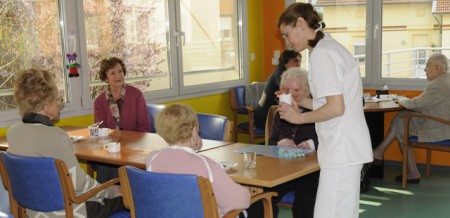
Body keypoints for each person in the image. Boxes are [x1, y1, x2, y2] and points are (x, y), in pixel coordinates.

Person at [277, 3, 372, 218]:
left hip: (342, 149)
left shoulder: (323, 55)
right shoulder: (327, 48)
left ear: (300, 24)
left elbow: (336, 108)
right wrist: (303, 102)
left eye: (286, 34)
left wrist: (299, 118)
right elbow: (334, 103)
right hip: (346, 148)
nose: (287, 41)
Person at [7, 69, 124, 218]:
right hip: (68, 212)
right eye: (56, 99)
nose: (59, 103)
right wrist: (109, 191)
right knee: (128, 196)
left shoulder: (13, 132)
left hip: (32, 211)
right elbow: (79, 184)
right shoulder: (56, 136)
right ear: (46, 105)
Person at [144, 103, 250, 217]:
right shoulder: (206, 165)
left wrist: (192, 142)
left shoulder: (152, 159)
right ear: (194, 130)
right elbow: (239, 202)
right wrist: (246, 190)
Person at [373, 53, 450, 183]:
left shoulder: (438, 85)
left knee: (402, 122)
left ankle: (381, 153)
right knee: (402, 120)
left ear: (437, 68)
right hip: (443, 124)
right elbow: (425, 102)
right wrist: (406, 101)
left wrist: (401, 100)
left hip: (440, 129)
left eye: (427, 65)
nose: (425, 69)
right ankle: (381, 153)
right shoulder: (445, 80)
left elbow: (416, 105)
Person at [268, 67, 319, 218]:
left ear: (308, 91)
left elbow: (331, 141)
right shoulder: (280, 113)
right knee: (261, 196)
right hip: (284, 170)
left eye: (296, 91)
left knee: (305, 201)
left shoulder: (319, 113)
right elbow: (270, 142)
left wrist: (311, 144)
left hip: (311, 171)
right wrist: (280, 142)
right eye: (286, 90)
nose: (291, 96)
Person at [94, 57, 150, 183]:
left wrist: (128, 144)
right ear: (105, 78)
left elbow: (144, 127)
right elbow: (101, 130)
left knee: (114, 166)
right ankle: (106, 198)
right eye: (112, 73)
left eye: (120, 71)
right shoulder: (99, 101)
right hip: (110, 147)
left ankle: (118, 198)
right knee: (105, 164)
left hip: (134, 147)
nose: (118, 76)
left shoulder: (136, 95)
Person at [254, 50, 302, 129]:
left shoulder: (287, 74)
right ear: (285, 62)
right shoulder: (279, 74)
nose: (298, 64)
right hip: (264, 117)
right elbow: (288, 90)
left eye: (300, 62)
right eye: (295, 61)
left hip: (274, 113)